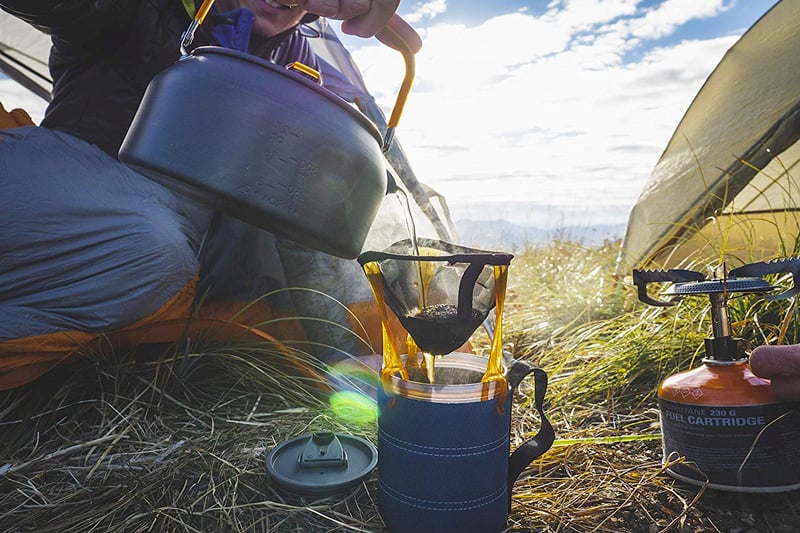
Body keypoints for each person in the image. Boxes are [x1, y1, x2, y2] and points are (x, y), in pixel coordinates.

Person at [0, 0, 405, 389]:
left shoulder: (293, 58)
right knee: (152, 246)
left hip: (190, 256)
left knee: (334, 264)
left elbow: (305, 208)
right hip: (70, 208)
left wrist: (343, 352)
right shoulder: (141, 9)